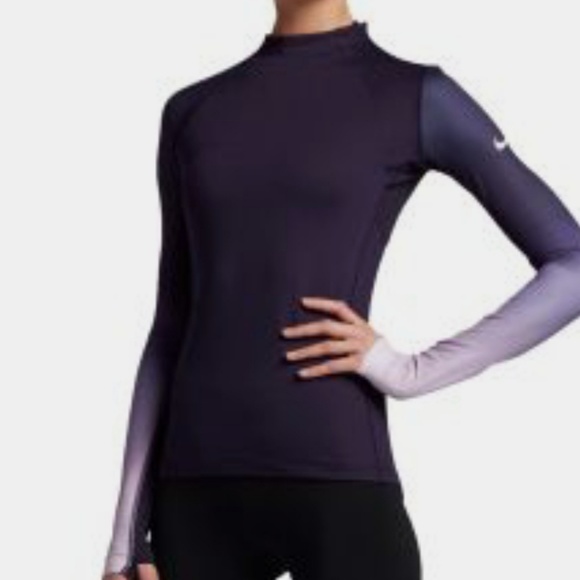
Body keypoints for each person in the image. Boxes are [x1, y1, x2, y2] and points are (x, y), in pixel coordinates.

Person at [102, 3, 580, 580]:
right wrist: (124, 542)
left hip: (342, 481)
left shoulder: (415, 96)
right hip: (195, 493)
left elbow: (571, 264)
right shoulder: (193, 111)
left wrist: (411, 370)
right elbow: (172, 323)